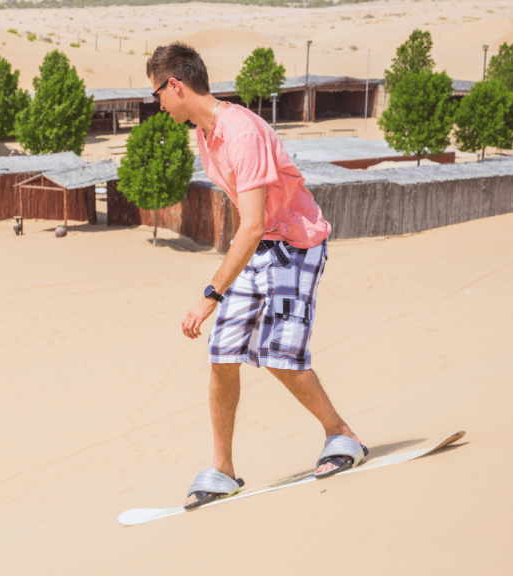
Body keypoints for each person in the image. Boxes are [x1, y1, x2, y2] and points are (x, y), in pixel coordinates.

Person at [146, 42, 368, 509]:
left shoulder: (241, 132)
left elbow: (251, 222)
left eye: (156, 95)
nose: (158, 105)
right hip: (258, 248)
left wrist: (211, 294)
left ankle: (341, 435)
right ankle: (222, 470)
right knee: (223, 352)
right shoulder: (206, 135)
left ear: (175, 85)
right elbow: (248, 224)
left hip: (295, 244)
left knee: (280, 353)